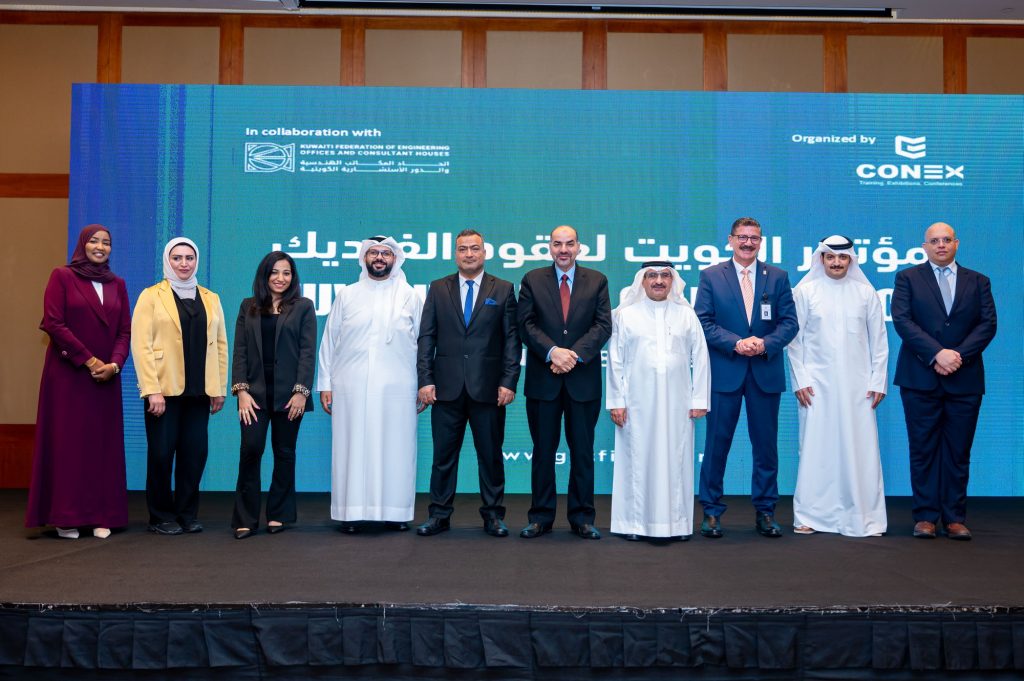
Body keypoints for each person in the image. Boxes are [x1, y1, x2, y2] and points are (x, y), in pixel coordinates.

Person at [694, 217, 798, 539]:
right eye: (742, 237)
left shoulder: (778, 277)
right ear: (730, 240)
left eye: (754, 238)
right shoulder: (712, 276)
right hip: (726, 372)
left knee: (766, 447)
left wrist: (765, 343)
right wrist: (736, 343)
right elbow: (703, 321)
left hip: (764, 372)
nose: (748, 243)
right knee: (716, 445)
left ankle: (766, 511)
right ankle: (711, 511)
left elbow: (790, 323)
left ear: (761, 242)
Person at [25, 224, 131, 539]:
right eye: (94, 241)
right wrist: (90, 360)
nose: (100, 247)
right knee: (68, 446)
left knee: (102, 447)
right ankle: (66, 517)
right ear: (83, 244)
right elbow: (53, 323)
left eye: (106, 242)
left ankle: (101, 515)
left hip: (106, 378)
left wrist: (114, 364)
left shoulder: (118, 284)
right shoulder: (62, 276)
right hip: (68, 376)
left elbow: (124, 331)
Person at [892, 222, 996, 541]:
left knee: (958, 451)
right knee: (922, 449)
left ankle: (954, 518)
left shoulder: (978, 281)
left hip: (964, 379)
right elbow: (903, 321)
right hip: (919, 377)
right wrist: (937, 353)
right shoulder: (908, 278)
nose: (941, 245)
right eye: (934, 240)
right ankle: (925, 516)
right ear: (924, 246)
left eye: (946, 240)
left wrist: (957, 356)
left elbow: (987, 324)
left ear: (956, 243)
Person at [415, 229, 521, 537]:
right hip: (445, 389)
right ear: (455, 254)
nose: (469, 254)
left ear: (485, 253)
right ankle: (438, 515)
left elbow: (512, 340)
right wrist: (425, 379)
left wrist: (508, 381)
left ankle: (493, 515)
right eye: (463, 249)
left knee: (490, 456)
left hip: (488, 389)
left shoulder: (503, 289)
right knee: (442, 458)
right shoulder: (438, 288)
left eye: (475, 248)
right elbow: (427, 337)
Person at [317, 236, 423, 533]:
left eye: (385, 253)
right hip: (350, 386)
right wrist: (325, 384)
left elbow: (424, 344)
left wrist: (424, 384)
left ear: (395, 259)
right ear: (364, 258)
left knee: (397, 449)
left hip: (399, 388)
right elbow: (329, 342)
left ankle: (395, 513)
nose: (379, 258)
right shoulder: (347, 295)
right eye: (373, 253)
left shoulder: (410, 296)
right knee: (352, 448)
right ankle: (350, 513)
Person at [787, 235, 888, 538]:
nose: (836, 262)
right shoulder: (805, 292)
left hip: (859, 387)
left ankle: (864, 517)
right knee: (816, 450)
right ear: (821, 259)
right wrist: (800, 379)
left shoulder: (866, 293)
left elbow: (879, 341)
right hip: (816, 387)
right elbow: (794, 341)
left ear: (851, 260)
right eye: (830, 257)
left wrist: (878, 380)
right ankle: (810, 515)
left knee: (861, 450)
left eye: (842, 257)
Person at [517, 225, 612, 540]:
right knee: (543, 451)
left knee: (582, 452)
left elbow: (603, 325)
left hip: (583, 381)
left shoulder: (597, 280)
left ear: (579, 247)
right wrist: (553, 352)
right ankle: (540, 517)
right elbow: (525, 324)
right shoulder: (532, 280)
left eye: (569, 244)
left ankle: (582, 518)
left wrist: (574, 355)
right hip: (543, 381)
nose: (563, 250)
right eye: (557, 244)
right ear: (549, 247)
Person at [606, 261, 710, 542]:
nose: (659, 281)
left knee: (677, 461)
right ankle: (633, 524)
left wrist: (699, 398)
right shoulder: (626, 316)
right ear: (642, 281)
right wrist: (616, 400)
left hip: (678, 404)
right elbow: (615, 361)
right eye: (652, 276)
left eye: (665, 276)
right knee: (636, 459)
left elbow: (701, 357)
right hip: (635, 403)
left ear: (673, 281)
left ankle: (677, 525)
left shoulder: (686, 315)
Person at [131, 237, 228, 535]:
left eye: (189, 258)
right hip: (164, 392)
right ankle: (160, 516)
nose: (184, 263)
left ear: (196, 261)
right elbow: (141, 345)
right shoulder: (151, 296)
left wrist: (219, 387)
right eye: (177, 258)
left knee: (194, 455)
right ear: (167, 261)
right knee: (161, 454)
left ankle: (187, 514)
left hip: (200, 392)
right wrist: (152, 389)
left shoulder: (211, 298)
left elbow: (221, 345)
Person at [230, 252, 317, 540]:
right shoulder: (248, 306)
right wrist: (241, 390)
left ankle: (279, 513)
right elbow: (240, 350)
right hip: (253, 395)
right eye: (275, 272)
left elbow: (307, 352)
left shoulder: (303, 307)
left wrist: (301, 392)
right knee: (250, 450)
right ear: (264, 275)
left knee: (285, 452)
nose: (281, 278)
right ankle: (245, 518)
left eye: (287, 273)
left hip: (290, 396)